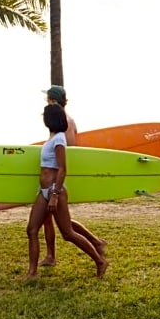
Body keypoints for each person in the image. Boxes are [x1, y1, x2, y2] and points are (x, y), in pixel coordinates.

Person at [26, 103, 107, 279]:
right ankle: (32, 273)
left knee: (68, 233)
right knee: (32, 230)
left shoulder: (59, 139)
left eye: (45, 116)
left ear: (51, 119)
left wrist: (54, 195)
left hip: (56, 191)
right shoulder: (52, 138)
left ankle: (100, 261)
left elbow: (62, 169)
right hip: (43, 191)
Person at [39, 85, 97, 268]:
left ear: (51, 99)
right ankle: (95, 244)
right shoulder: (64, 120)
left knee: (62, 224)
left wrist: (55, 187)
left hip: (58, 177)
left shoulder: (61, 121)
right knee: (59, 220)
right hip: (58, 175)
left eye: (47, 99)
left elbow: (65, 151)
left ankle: (96, 249)